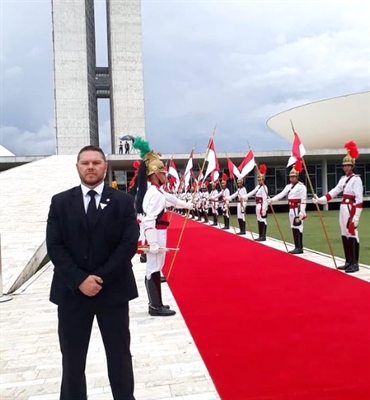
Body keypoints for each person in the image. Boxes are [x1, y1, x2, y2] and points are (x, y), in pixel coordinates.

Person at [46, 145, 139, 400]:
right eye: (85, 163)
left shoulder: (123, 202)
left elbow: (128, 244)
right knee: (73, 361)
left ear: (105, 167)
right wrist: (79, 280)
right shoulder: (60, 202)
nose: (90, 167)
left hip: (113, 292)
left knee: (119, 357)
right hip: (72, 293)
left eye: (96, 163)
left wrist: (100, 278)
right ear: (77, 167)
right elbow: (54, 246)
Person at [133, 138, 194, 316]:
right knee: (153, 268)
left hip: (157, 233)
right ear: (155, 173)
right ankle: (154, 306)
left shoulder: (156, 191)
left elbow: (172, 200)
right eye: (163, 172)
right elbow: (150, 219)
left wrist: (187, 206)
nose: (166, 175)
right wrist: (152, 242)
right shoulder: (155, 193)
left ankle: (157, 302)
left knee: (156, 267)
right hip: (155, 234)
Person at [313, 141, 363, 273]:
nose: (346, 167)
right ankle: (348, 261)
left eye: (348, 165)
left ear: (352, 166)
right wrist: (321, 200)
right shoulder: (342, 179)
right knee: (344, 233)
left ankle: (355, 263)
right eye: (344, 165)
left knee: (352, 233)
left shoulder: (356, 179)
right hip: (343, 207)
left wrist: (356, 216)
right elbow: (334, 191)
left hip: (351, 207)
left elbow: (359, 199)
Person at [267, 160, 307, 254]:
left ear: (297, 177)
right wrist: (272, 200)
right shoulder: (288, 186)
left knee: (298, 227)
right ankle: (296, 246)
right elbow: (281, 194)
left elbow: (303, 200)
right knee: (293, 227)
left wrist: (302, 211)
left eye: (293, 177)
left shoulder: (301, 187)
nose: (292, 178)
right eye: (291, 177)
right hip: (291, 209)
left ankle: (300, 247)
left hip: (297, 209)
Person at [242, 164, 269, 241]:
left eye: (260, 180)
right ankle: (260, 234)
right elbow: (252, 192)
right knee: (259, 220)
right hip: (257, 205)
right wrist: (244, 196)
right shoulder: (258, 187)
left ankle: (263, 236)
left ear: (263, 180)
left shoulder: (264, 187)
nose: (259, 181)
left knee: (263, 220)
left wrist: (264, 209)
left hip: (261, 205)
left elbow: (264, 199)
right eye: (258, 180)